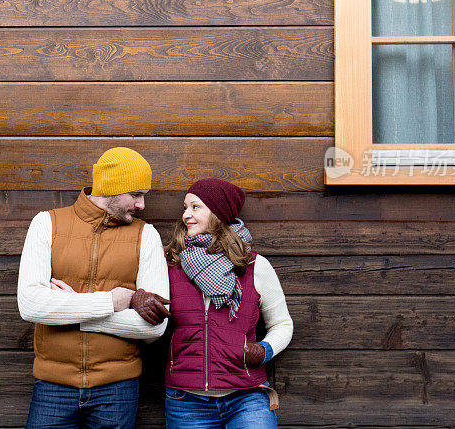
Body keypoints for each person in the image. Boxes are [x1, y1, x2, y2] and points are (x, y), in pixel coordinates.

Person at [17, 147, 171, 429]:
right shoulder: (46, 224)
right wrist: (113, 301)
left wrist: (75, 309)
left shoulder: (145, 236)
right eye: (135, 195)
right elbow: (30, 305)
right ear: (111, 188)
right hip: (53, 386)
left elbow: (154, 327)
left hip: (117, 389)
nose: (141, 206)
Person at [162, 178, 293, 429]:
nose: (186, 215)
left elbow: (282, 324)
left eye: (195, 207)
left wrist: (264, 349)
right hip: (185, 400)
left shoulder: (255, 265)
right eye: (185, 207)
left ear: (219, 213)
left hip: (247, 396)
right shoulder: (173, 265)